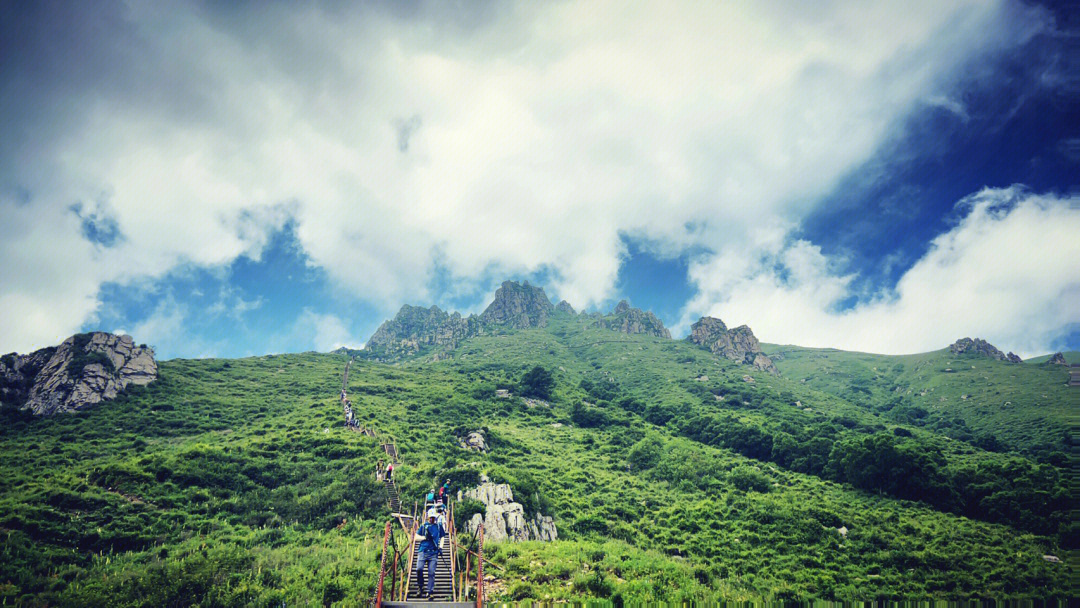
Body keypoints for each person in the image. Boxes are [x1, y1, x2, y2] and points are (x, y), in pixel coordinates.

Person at [415, 511, 443, 598]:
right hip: (423, 551)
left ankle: (430, 591)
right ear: (428, 517)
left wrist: (441, 547)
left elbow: (442, 536)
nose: (432, 519)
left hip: (433, 552)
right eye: (431, 517)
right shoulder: (423, 526)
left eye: (433, 518)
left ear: (435, 518)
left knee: (431, 572)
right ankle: (420, 587)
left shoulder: (438, 527)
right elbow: (416, 537)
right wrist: (425, 537)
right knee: (419, 569)